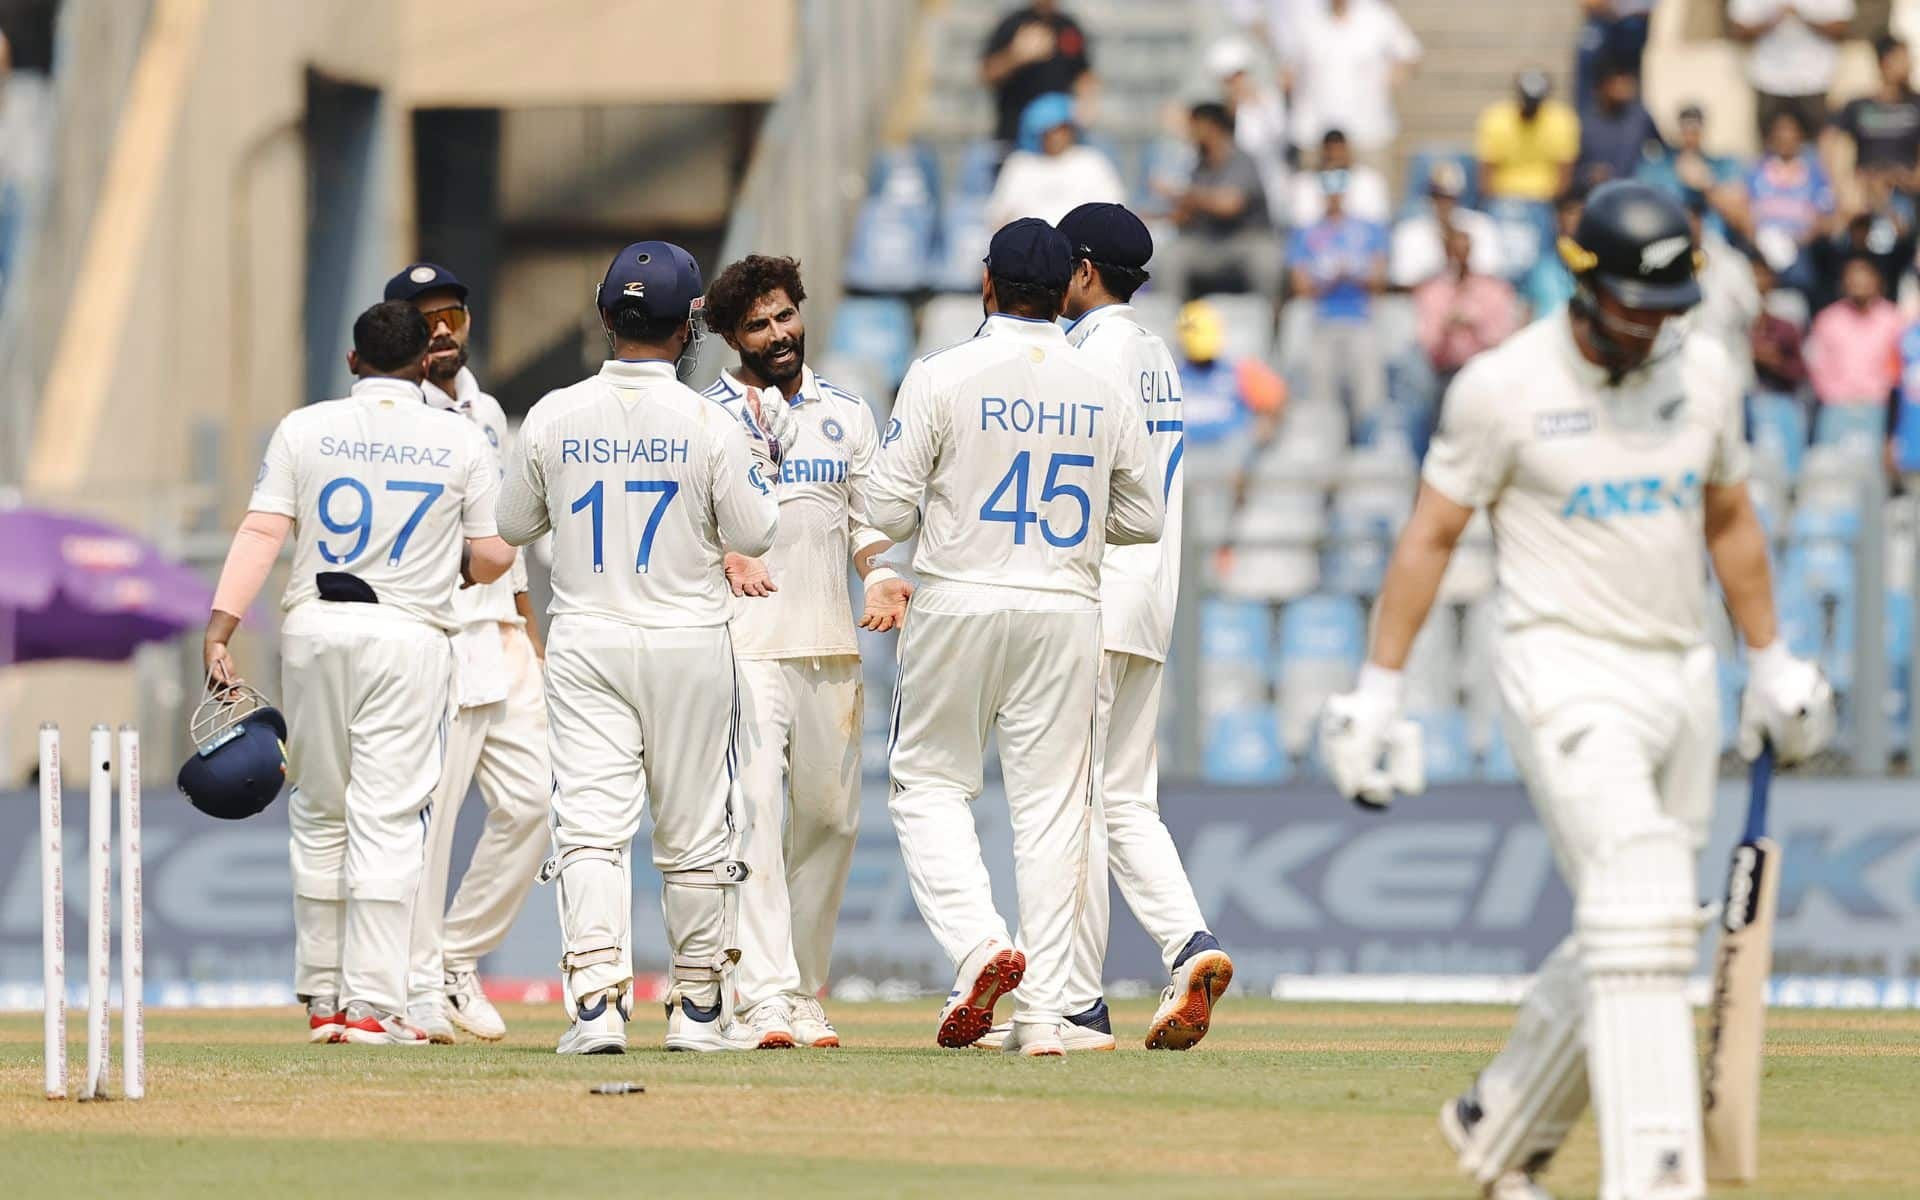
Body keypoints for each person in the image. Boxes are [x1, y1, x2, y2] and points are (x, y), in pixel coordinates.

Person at [1317, 180, 1834, 1200]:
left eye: (1672, 309)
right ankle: (1657, 1180)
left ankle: (1498, 1124)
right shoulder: (1501, 388)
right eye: (1638, 308)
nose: (1655, 330)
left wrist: (1769, 658)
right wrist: (1378, 692)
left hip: (1679, 667)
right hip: (1560, 661)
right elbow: (1430, 535)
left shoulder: (1707, 377)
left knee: (1641, 917)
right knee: (1638, 888)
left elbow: (1728, 519)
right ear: (1585, 287)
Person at [864, 218, 1163, 1057]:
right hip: (1065, 606)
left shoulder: (941, 372)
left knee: (928, 784)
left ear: (987, 283)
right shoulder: (1100, 383)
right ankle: (1047, 1017)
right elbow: (1145, 517)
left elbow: (885, 508)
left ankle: (979, 945)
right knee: (1055, 812)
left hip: (959, 598)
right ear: (1068, 285)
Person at [202, 301, 514, 1046]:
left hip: (314, 629)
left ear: (353, 363)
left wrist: (220, 628)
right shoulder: (458, 436)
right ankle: (375, 1003)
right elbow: (493, 554)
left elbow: (261, 531)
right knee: (388, 818)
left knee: (318, 812)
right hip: (406, 636)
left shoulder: (304, 427)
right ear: (423, 365)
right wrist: (462, 567)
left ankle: (323, 997)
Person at [496, 241, 781, 1055]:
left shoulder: (553, 412)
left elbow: (514, 525)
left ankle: (594, 1007)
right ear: (692, 323)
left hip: (588, 637)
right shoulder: (709, 419)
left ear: (602, 315)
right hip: (688, 637)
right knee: (694, 830)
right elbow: (759, 530)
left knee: (590, 827)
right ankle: (696, 1010)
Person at [986, 203, 1231, 1053]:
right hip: (1152, 601)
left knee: (1071, 807)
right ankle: (1189, 943)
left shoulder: (1086, 351)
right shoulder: (1159, 354)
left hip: (1092, 597)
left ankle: (1076, 1002)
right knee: (1124, 799)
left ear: (1083, 271)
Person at [697, 254, 912, 1050]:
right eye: (758, 323)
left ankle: (801, 989)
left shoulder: (847, 412)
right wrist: (724, 556)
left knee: (829, 819)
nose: (780, 333)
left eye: (786, 314)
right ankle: (761, 997)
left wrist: (881, 573)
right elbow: (689, 526)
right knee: (752, 816)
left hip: (829, 641)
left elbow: (865, 516)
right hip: (744, 645)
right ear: (729, 335)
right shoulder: (704, 418)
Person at [384, 263, 552, 1046]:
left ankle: (453, 959)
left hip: (502, 631)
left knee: (533, 804)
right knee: (435, 818)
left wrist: (526, 618)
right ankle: (415, 987)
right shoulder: (395, 417)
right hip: (438, 637)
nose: (442, 327)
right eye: (424, 318)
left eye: (452, 311)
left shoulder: (488, 409)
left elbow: (508, 529)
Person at [1287, 169, 1390, 418]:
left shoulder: (1368, 229)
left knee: (1369, 391)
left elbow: (1379, 281)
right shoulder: (1306, 232)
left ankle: (1368, 440)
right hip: (1322, 319)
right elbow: (1300, 286)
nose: (1334, 198)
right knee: (1321, 394)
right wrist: (1328, 279)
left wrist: (1352, 273)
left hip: (1360, 318)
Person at [1158, 102, 1284, 301]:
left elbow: (1229, 205)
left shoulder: (1243, 160)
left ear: (1211, 126)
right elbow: (1184, 216)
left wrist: (1181, 194)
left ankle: (1269, 326)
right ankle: (1175, 327)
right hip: (1207, 243)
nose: (1190, 132)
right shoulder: (1198, 166)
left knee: (1266, 260)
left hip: (1247, 240)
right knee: (1172, 257)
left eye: (1195, 125)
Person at [1284, 0, 1421, 161]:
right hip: (1314, 133)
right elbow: (1288, 69)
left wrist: (1393, 77)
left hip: (1367, 133)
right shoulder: (1305, 18)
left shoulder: (1377, 16)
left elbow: (1410, 55)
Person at [1174, 298, 1287, 479]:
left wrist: (1258, 432)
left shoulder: (1240, 370)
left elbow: (1276, 399)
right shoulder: (1172, 374)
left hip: (1228, 459)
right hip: (1187, 457)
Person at [985, 92, 1126, 230]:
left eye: (1061, 129)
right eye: (1049, 130)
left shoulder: (1092, 162)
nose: (1056, 136)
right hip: (1029, 248)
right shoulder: (1020, 165)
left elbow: (1112, 213)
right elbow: (998, 216)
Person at [1413, 226, 1521, 394]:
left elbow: (1504, 338)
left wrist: (1475, 325)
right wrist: (1446, 327)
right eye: (1454, 251)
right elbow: (1427, 343)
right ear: (1446, 252)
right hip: (1445, 374)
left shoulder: (1493, 289)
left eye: (1464, 251)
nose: (1459, 258)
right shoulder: (1432, 291)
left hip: (1485, 371)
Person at [1729, 0, 1856, 141]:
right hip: (1768, 80)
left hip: (1814, 80)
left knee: (1814, 148)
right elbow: (1740, 31)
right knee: (1771, 150)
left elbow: (1841, 29)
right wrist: (1775, 19)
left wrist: (1802, 16)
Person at [1745, 108, 1837, 294]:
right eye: (1780, 131)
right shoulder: (1756, 171)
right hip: (1763, 251)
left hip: (1801, 253)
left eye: (1790, 131)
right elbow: (1743, 208)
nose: (1785, 137)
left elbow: (1826, 216)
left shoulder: (1815, 173)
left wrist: (1798, 241)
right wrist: (1761, 240)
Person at [980, 0, 1094, 148]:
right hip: (1014, 139)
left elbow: (1083, 73)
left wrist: (1086, 102)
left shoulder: (1069, 27)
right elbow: (986, 74)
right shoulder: (1012, 24)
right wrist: (1016, 55)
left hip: (1060, 140)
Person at [1806, 253, 1905, 412]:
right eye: (1853, 275)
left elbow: (1900, 365)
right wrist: (1834, 395)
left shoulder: (1893, 320)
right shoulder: (1828, 319)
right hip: (1836, 405)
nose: (1859, 281)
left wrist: (1881, 395)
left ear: (1877, 280)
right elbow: (1816, 362)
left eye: (1864, 275)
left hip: (1881, 406)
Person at [1209, 36, 1291, 228]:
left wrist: (1254, 101)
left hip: (1273, 190)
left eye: (1237, 76)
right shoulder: (1220, 115)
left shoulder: (1269, 101)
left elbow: (1280, 135)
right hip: (1238, 195)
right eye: (1228, 80)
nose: (1234, 84)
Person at [1390, 159, 1507, 288]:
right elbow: (1402, 278)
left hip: (1474, 300)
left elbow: (1493, 270)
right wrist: (1443, 257)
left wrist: (1462, 259)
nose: (1444, 203)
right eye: (1438, 196)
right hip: (1427, 301)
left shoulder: (1481, 225)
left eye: (1450, 197)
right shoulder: (1408, 231)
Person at [1827, 35, 1920, 197]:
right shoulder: (1858, 105)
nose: (1909, 64)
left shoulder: (1916, 104)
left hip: (1906, 187)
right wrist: (1840, 184)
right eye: (1902, 58)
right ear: (1884, 62)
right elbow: (1829, 140)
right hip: (1865, 188)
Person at [1636, 103, 1746, 238]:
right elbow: (1642, 209)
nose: (1689, 137)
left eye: (1694, 130)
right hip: (1669, 239)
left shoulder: (1723, 166)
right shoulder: (1657, 168)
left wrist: (1707, 185)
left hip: (1713, 243)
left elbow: (1741, 220)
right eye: (1684, 130)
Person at [1476, 69, 1581, 205]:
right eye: (1527, 100)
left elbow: (1564, 178)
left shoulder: (1562, 121)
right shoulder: (1496, 119)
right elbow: (1485, 178)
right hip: (1503, 200)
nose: (1530, 106)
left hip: (1546, 202)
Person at [1573, 56, 1664, 192]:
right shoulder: (1584, 122)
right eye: (1618, 82)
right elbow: (1571, 169)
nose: (1624, 88)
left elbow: (1662, 153)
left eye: (1627, 82)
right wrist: (1588, 175)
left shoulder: (1640, 118)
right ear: (1603, 86)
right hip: (1594, 196)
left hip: (1633, 194)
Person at [1289, 128, 1391, 227]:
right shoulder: (1303, 183)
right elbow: (1298, 223)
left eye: (1339, 150)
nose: (1334, 156)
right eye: (1330, 150)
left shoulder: (1369, 181)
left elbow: (1378, 221)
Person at [1575, 0, 1655, 111]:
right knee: (1588, 54)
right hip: (1602, 20)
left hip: (1633, 22)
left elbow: (1645, 8)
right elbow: (1589, 4)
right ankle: (1584, 117)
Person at [1521, 187, 1588, 315]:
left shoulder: (1599, 270)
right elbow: (1527, 311)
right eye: (1571, 212)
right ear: (1557, 218)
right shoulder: (1540, 269)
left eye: (1583, 213)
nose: (1578, 219)